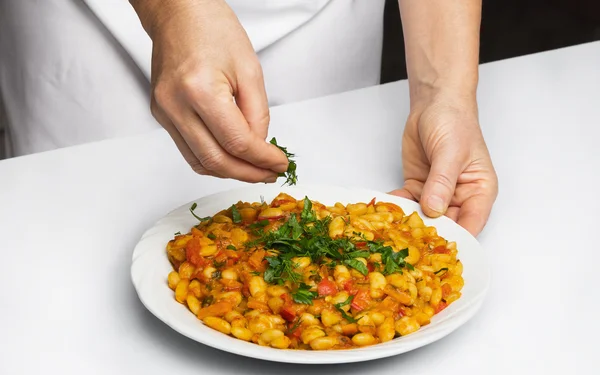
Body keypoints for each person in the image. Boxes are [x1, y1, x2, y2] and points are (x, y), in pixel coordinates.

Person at [0, 0, 497, 236]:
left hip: (323, 16)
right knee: (71, 244)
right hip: (89, 19)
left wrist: (445, 93)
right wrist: (173, 9)